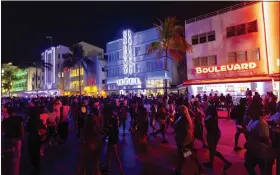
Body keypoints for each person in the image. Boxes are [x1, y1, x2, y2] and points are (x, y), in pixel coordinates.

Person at [244, 100, 275, 175]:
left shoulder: (261, 124)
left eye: (250, 111)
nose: (248, 113)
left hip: (261, 151)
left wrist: (270, 155)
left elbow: (266, 140)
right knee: (248, 165)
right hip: (254, 149)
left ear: (255, 112)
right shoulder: (252, 120)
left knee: (263, 170)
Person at [173, 105, 204, 175]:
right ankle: (179, 170)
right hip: (186, 139)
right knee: (185, 155)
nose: (178, 111)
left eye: (179, 110)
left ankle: (199, 168)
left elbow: (184, 131)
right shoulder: (184, 117)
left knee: (187, 154)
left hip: (184, 140)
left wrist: (182, 142)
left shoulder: (184, 119)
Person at [203, 101, 232, 171]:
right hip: (216, 133)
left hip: (212, 135)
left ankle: (226, 162)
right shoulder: (214, 116)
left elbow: (209, 127)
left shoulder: (209, 118)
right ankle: (211, 163)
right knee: (212, 150)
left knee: (212, 150)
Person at [78, 107, 103, 175]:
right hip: (97, 145)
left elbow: (83, 138)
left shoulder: (86, 127)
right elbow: (101, 133)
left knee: (84, 164)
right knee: (96, 165)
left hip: (89, 144)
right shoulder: (97, 125)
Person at [2, 107, 24, 175]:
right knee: (17, 157)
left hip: (8, 139)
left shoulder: (5, 121)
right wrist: (23, 138)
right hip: (17, 139)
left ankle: (8, 171)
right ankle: (15, 172)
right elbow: (22, 129)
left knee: (8, 156)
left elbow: (3, 131)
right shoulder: (20, 119)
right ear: (15, 112)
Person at [26, 107, 47, 175]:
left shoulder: (30, 121)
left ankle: (37, 168)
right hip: (37, 139)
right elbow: (44, 129)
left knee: (32, 154)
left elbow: (27, 129)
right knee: (36, 154)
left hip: (32, 139)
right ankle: (37, 168)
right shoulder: (39, 121)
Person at [102, 110, 124, 175]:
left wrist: (104, 137)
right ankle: (107, 167)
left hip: (112, 142)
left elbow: (109, 132)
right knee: (109, 154)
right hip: (113, 141)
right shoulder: (115, 123)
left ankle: (121, 171)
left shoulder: (112, 123)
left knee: (116, 157)